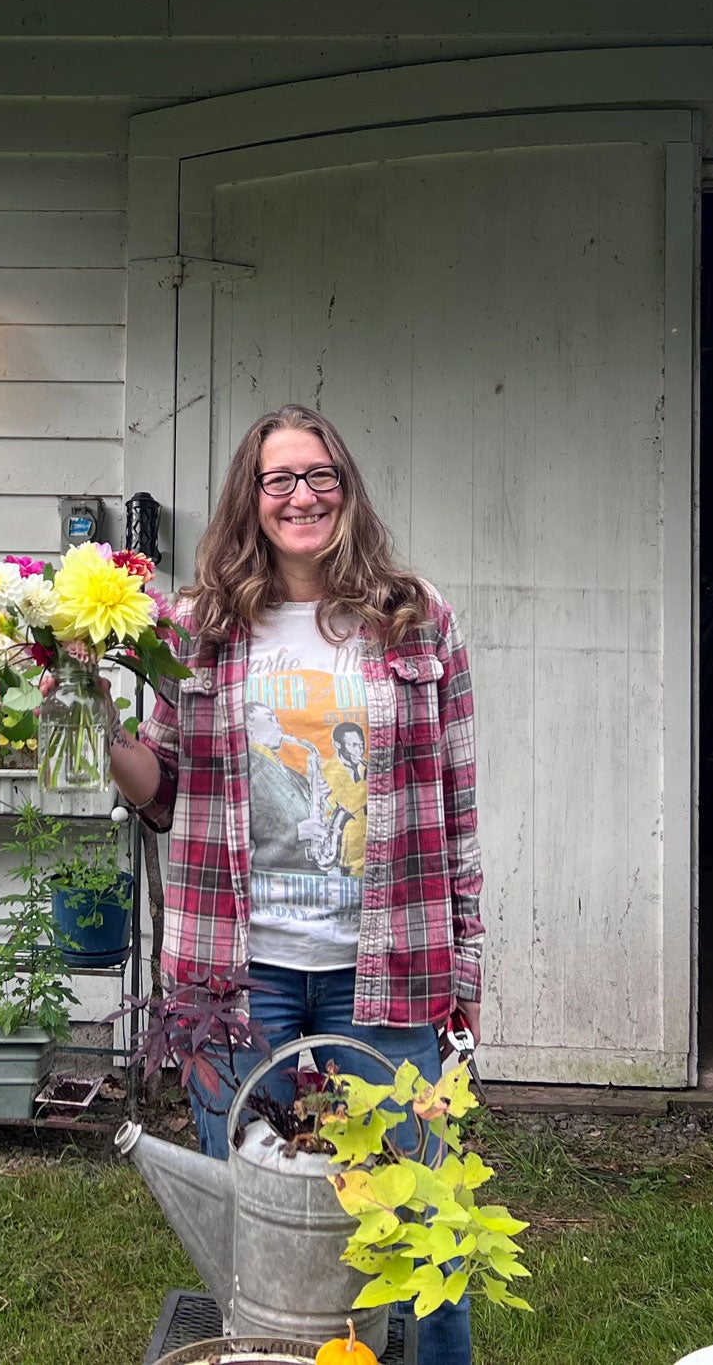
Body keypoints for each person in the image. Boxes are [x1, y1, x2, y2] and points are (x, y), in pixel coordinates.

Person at [109, 403, 485, 1365]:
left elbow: (457, 805)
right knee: (261, 1223)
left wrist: (466, 977)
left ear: (346, 488)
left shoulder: (417, 616)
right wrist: (98, 726)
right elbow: (162, 790)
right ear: (252, 497)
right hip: (236, 979)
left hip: (390, 973)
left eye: (319, 475)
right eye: (279, 479)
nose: (301, 495)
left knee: (424, 1224)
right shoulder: (196, 628)